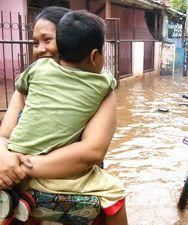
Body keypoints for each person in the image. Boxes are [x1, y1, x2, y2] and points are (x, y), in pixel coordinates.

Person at [0, 9, 128, 225]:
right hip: (17, 175)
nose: (40, 50)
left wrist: (20, 166)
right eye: (35, 43)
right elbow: (4, 135)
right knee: (114, 193)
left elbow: (91, 152)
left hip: (51, 183)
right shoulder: (31, 82)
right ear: (94, 54)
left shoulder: (102, 92)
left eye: (48, 40)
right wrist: (2, 156)